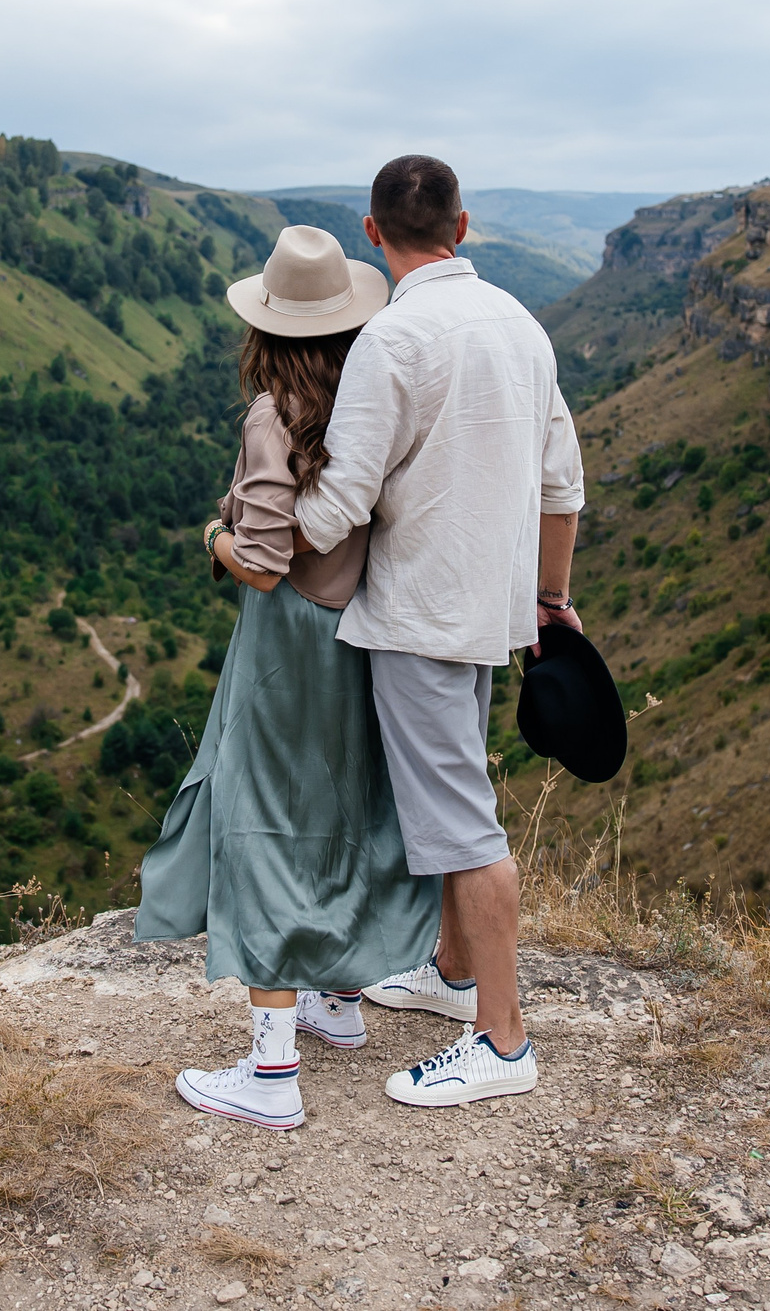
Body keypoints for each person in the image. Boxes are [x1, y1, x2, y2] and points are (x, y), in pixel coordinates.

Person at [133, 224, 443, 1130]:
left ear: (265, 329)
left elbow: (265, 560)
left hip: (290, 643)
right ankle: (337, 999)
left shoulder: (272, 414)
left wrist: (212, 537)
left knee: (264, 818)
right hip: (364, 628)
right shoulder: (369, 398)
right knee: (344, 805)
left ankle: (271, 1070)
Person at [294, 153, 585, 1108]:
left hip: (420, 611)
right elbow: (561, 483)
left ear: (373, 237)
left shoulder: (392, 337)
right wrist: (550, 599)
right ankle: (453, 974)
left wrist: (253, 539)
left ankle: (501, 1042)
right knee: (459, 787)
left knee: (463, 824)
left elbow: (344, 495)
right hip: (492, 609)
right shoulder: (524, 326)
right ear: (463, 229)